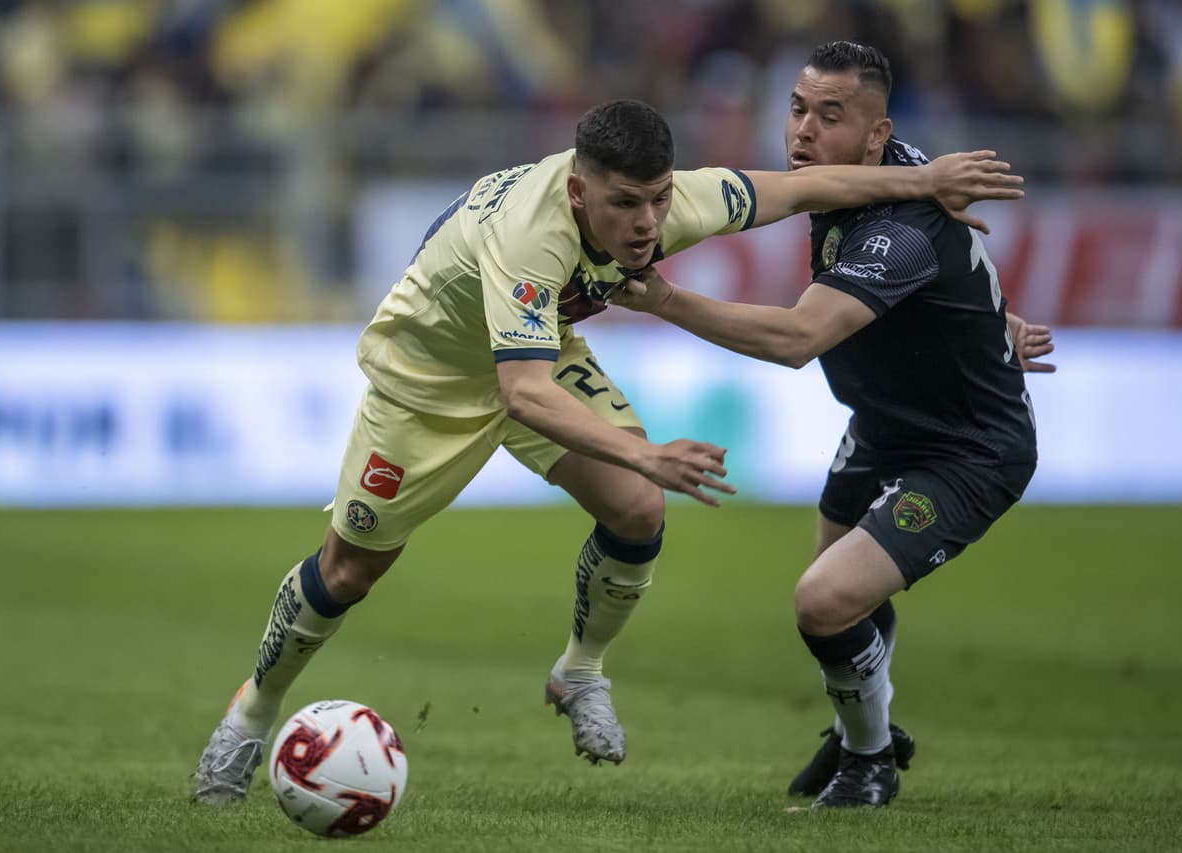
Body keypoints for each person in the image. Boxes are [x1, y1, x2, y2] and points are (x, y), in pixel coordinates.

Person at [192, 97, 1025, 803]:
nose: (649, 224)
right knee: (347, 572)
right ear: (578, 190)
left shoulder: (664, 203)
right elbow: (519, 394)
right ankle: (250, 719)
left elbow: (800, 188)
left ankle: (581, 671)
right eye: (627, 204)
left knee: (637, 509)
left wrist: (925, 180)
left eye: (659, 200)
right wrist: (647, 451)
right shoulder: (530, 236)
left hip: (536, 354)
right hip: (431, 379)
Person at [609, 43, 1055, 809]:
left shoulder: (901, 226)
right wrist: (992, 321)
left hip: (968, 450)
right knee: (838, 604)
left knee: (822, 602)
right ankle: (861, 729)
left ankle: (870, 760)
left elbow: (796, 339)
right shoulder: (875, 181)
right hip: (881, 423)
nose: (802, 132)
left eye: (829, 116)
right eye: (796, 109)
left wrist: (664, 301)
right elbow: (951, 268)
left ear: (877, 135)